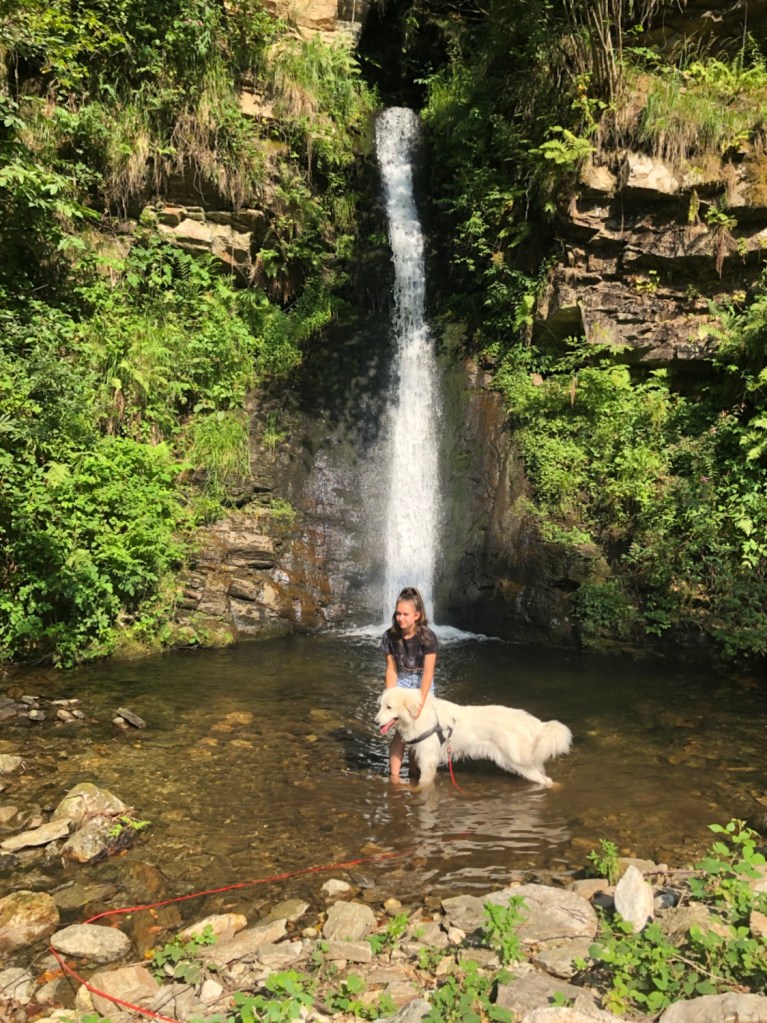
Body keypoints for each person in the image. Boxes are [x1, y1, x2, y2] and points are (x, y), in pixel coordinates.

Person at [381, 586, 439, 783]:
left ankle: (414, 777)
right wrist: (390, 698)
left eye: (405, 614)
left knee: (417, 734)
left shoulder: (428, 637)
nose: (400, 618)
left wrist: (421, 702)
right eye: (398, 613)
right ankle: (395, 779)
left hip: (422, 681)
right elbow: (391, 669)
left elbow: (429, 672)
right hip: (402, 680)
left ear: (417, 615)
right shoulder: (389, 637)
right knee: (399, 734)